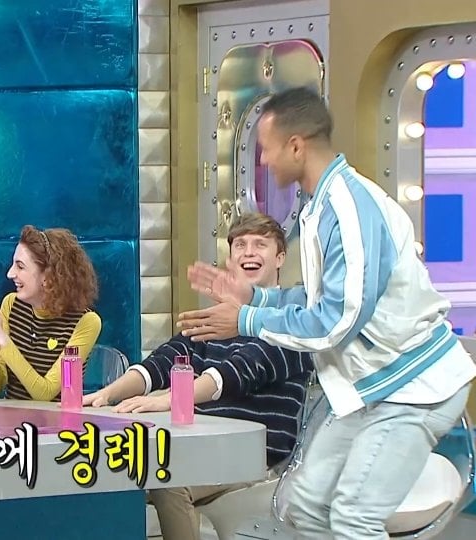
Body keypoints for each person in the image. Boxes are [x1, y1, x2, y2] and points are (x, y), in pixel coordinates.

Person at [178, 87, 476, 539]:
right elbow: (321, 300)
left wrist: (244, 321)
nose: (264, 161)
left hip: (412, 388)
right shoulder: (320, 207)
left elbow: (336, 322)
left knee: (355, 517)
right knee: (305, 505)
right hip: (371, 391)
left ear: (296, 145)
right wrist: (255, 298)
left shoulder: (351, 209)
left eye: (268, 149)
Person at [84, 213, 314, 540]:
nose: (249, 252)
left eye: (260, 244)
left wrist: (168, 400)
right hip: (201, 446)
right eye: (241, 245)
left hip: (254, 456)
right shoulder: (215, 319)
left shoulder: (291, 323)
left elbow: (237, 373)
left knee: (168, 480)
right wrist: (108, 394)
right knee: (108, 467)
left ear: (279, 258)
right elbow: (164, 361)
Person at [0, 225, 101, 401]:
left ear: (48, 276)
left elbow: (45, 394)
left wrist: (1, 338)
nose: (10, 274)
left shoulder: (86, 322)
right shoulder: (11, 304)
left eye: (20, 267)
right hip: (11, 417)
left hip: (57, 417)